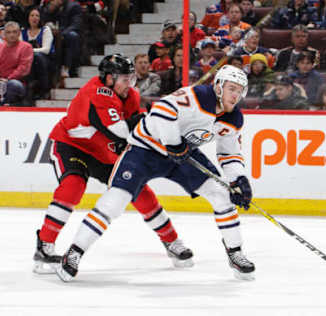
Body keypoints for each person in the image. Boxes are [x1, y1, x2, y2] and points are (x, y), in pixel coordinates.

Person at [56, 65, 256, 282]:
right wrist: (173, 143)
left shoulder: (233, 119)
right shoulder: (199, 96)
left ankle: (235, 253)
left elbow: (229, 153)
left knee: (220, 194)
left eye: (240, 90)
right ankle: (74, 252)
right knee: (115, 201)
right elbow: (161, 109)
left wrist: (239, 180)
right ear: (218, 87)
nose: (235, 95)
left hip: (182, 154)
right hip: (145, 149)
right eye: (231, 88)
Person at [33, 54, 193, 274]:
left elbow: (138, 132)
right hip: (72, 146)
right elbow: (121, 131)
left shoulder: (132, 95)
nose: (130, 85)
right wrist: (151, 116)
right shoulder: (97, 93)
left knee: (138, 190)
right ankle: (44, 246)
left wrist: (158, 122)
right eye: (124, 79)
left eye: (131, 79)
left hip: (103, 153)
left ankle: (172, 241)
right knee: (73, 186)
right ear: (109, 79)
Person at [0, 21, 33, 106]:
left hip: (14, 82)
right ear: (4, 34)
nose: (12, 35)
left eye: (14, 32)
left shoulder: (26, 47)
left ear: (19, 33)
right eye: (8, 32)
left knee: (13, 85)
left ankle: (3, 104)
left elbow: (24, 69)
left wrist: (8, 79)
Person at [21, 7, 55, 100]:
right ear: (28, 18)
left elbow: (46, 49)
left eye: (37, 16)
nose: (34, 18)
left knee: (37, 57)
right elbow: (20, 49)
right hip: (28, 61)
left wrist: (29, 51)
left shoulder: (45, 30)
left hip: (46, 60)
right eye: (32, 15)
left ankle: (44, 89)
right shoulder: (23, 32)